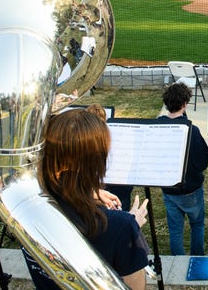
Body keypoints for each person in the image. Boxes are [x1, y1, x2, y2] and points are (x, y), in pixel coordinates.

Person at [23, 109, 150, 290]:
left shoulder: (26, 207)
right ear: (97, 163)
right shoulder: (121, 227)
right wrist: (132, 227)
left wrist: (87, 193)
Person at [159, 83, 208, 256]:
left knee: (175, 229)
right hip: (191, 188)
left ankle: (178, 261)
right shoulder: (191, 130)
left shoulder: (157, 126)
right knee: (197, 224)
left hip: (169, 187)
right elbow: (203, 160)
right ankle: (197, 258)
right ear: (185, 104)